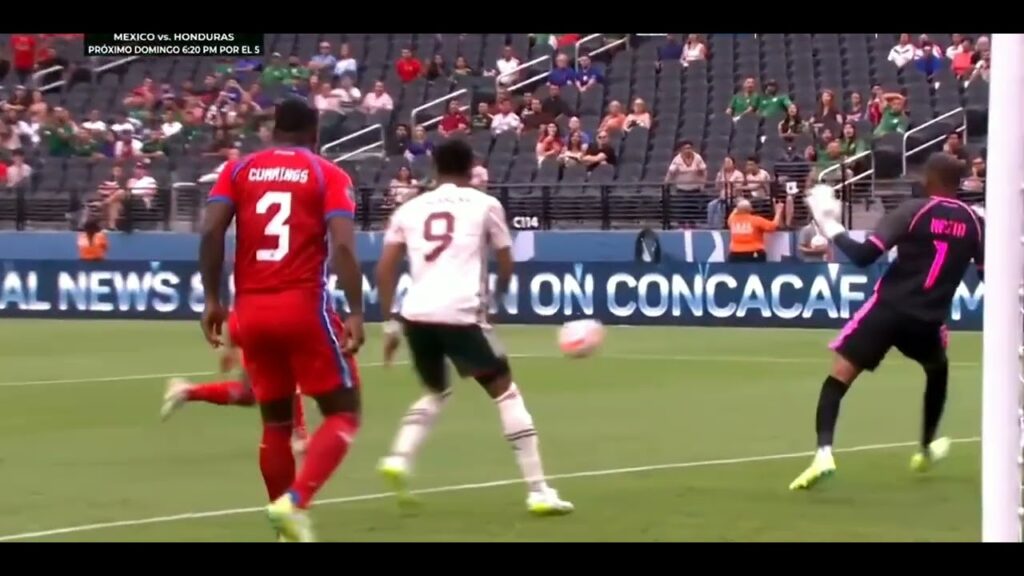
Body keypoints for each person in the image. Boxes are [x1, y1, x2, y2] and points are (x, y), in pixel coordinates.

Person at [375, 139, 574, 516]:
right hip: (462, 312)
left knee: (437, 391)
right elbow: (506, 260)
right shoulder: (485, 204)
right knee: (506, 393)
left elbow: (384, 269)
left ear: (433, 168)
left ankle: (400, 456)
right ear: (472, 168)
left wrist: (390, 325)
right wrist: (494, 301)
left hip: (417, 315)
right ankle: (538, 490)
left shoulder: (410, 207)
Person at [199, 98, 365, 542]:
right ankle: (295, 503)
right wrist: (355, 310)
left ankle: (282, 529)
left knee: (275, 422)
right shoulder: (327, 173)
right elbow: (344, 246)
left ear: (273, 129)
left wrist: (212, 299)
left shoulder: (238, 170)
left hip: (250, 312)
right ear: (315, 134)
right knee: (344, 414)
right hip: (302, 307)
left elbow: (212, 229)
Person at [791, 153, 985, 491]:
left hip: (888, 310)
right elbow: (988, 277)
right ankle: (924, 449)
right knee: (937, 370)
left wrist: (831, 226)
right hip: (928, 319)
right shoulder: (974, 222)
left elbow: (865, 257)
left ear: (931, 179)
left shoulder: (913, 211)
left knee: (838, 378)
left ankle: (823, 453)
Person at [160, 310, 309, 456]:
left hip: (250, 321)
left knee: (250, 393)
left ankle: (187, 391)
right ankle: (297, 434)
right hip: (265, 323)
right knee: (285, 378)